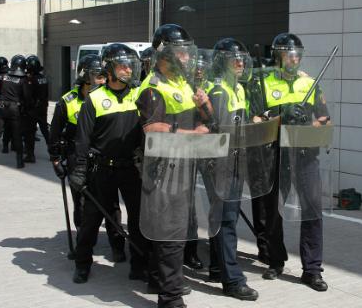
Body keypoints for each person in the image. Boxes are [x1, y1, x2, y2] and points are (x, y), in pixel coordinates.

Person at [250, 33, 330, 292]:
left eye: (296, 54)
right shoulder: (263, 82)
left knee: (313, 211)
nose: (293, 59)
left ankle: (312, 269)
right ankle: (275, 260)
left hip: (306, 156)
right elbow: (256, 121)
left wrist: (307, 123)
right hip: (276, 155)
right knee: (273, 211)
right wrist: (280, 115)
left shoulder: (310, 84)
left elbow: (325, 120)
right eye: (287, 54)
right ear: (277, 56)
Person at [136, 23, 207, 308]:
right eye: (182, 52)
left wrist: (205, 105)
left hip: (184, 164)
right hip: (164, 169)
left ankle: (159, 280)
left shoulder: (183, 83)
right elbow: (154, 130)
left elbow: (206, 121)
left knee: (170, 230)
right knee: (170, 233)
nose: (188, 58)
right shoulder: (152, 87)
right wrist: (195, 134)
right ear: (165, 53)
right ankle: (170, 298)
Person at [67, 43, 146, 284]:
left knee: (138, 219)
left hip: (131, 168)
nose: (128, 70)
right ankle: (82, 264)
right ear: (109, 69)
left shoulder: (138, 95)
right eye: (123, 65)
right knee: (91, 220)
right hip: (101, 169)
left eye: (130, 65)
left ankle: (139, 265)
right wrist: (79, 172)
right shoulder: (95, 99)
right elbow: (82, 139)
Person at [200, 37, 260, 300]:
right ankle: (233, 280)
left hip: (235, 159)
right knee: (226, 220)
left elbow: (239, 124)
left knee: (224, 217)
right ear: (221, 62)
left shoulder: (238, 89)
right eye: (234, 59)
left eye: (242, 59)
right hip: (222, 162)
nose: (240, 63)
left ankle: (216, 267)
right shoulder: (219, 90)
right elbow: (222, 131)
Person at [49, 54, 106, 242]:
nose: (102, 80)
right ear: (85, 75)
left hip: (102, 157)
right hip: (76, 157)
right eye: (98, 76)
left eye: (104, 75)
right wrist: (55, 159)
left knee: (107, 201)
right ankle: (83, 240)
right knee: (80, 202)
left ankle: (116, 244)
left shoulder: (107, 97)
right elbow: (54, 133)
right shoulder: (67, 101)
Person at [0, 55, 29, 168]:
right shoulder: (23, 79)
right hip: (15, 108)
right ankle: (19, 161)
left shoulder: (4, 76)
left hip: (1, 106)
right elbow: (27, 97)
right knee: (17, 134)